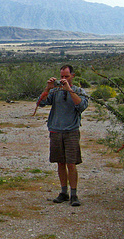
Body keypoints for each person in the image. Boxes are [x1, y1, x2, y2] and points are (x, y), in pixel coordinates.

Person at [37, 65, 88, 206]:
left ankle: (74, 193)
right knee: (60, 163)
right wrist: (48, 88)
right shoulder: (55, 91)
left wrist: (70, 91)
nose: (64, 79)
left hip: (71, 131)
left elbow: (82, 106)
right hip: (56, 131)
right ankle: (63, 192)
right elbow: (40, 103)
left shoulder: (79, 91)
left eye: (66, 76)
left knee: (71, 163)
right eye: (62, 77)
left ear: (73, 76)